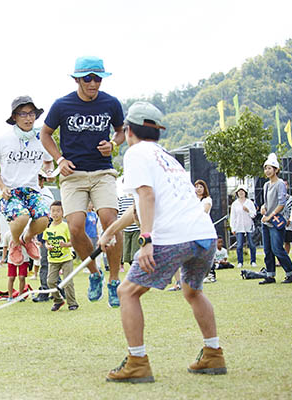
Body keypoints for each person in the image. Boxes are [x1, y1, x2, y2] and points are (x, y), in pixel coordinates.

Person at [99, 101, 225, 383]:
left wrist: (145, 240)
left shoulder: (135, 153)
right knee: (193, 291)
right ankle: (213, 354)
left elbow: (147, 198)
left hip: (173, 236)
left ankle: (137, 362)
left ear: (128, 130)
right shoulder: (167, 157)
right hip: (203, 235)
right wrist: (111, 230)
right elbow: (139, 207)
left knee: (127, 292)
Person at [40, 56, 124, 306]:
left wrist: (113, 144)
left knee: (110, 222)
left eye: (97, 78)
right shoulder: (62, 105)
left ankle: (114, 279)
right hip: (72, 175)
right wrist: (59, 159)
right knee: (75, 227)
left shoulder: (111, 103)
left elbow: (121, 132)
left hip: (102, 173)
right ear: (77, 79)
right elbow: (44, 133)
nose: (93, 83)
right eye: (88, 78)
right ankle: (95, 274)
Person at [0, 96, 53, 276]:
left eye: (31, 113)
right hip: (9, 190)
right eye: (23, 114)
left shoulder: (41, 138)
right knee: (22, 217)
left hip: (31, 189)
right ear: (14, 117)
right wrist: (2, 186)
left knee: (43, 218)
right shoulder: (2, 140)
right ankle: (15, 242)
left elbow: (48, 162)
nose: (28, 118)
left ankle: (27, 238)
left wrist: (48, 172)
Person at [259, 153, 292, 284]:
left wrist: (270, 216)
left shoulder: (280, 183)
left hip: (276, 222)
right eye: (265, 168)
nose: (267, 171)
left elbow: (281, 203)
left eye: (269, 168)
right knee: (267, 250)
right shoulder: (266, 185)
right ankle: (270, 275)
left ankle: (291, 273)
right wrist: (263, 208)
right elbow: (267, 202)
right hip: (266, 221)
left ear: (276, 169)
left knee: (277, 248)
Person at [44, 201, 78, 311]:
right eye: (53, 211)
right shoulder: (48, 227)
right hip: (53, 259)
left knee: (67, 282)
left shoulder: (65, 227)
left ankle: (72, 303)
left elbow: (73, 242)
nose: (55, 213)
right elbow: (46, 241)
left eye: (58, 211)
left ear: (63, 213)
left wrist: (65, 245)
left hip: (66, 258)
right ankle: (58, 301)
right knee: (50, 281)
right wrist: (47, 246)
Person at [229, 186, 257, 268]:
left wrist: (248, 210)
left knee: (252, 244)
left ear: (245, 193)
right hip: (239, 227)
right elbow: (233, 217)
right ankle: (240, 262)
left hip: (249, 226)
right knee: (239, 246)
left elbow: (254, 214)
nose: (241, 193)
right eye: (239, 191)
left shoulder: (249, 203)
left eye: (242, 191)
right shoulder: (235, 204)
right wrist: (232, 228)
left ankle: (253, 261)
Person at [3, 230, 30, 302]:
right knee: (11, 277)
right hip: (11, 259)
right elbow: (5, 246)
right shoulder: (8, 233)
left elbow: (30, 243)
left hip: (24, 258)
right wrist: (3, 258)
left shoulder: (25, 232)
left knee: (22, 277)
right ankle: (10, 296)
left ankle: (21, 295)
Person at [118, 194, 140, 272]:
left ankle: (135, 267)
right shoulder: (122, 199)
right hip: (126, 229)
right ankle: (125, 266)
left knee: (135, 249)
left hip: (136, 228)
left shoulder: (137, 197)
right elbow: (119, 214)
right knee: (126, 250)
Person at [282, 181, 292, 254]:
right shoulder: (277, 198)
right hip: (278, 222)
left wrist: (289, 219)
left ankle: (284, 258)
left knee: (287, 241)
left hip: (288, 224)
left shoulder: (291, 199)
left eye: (286, 185)